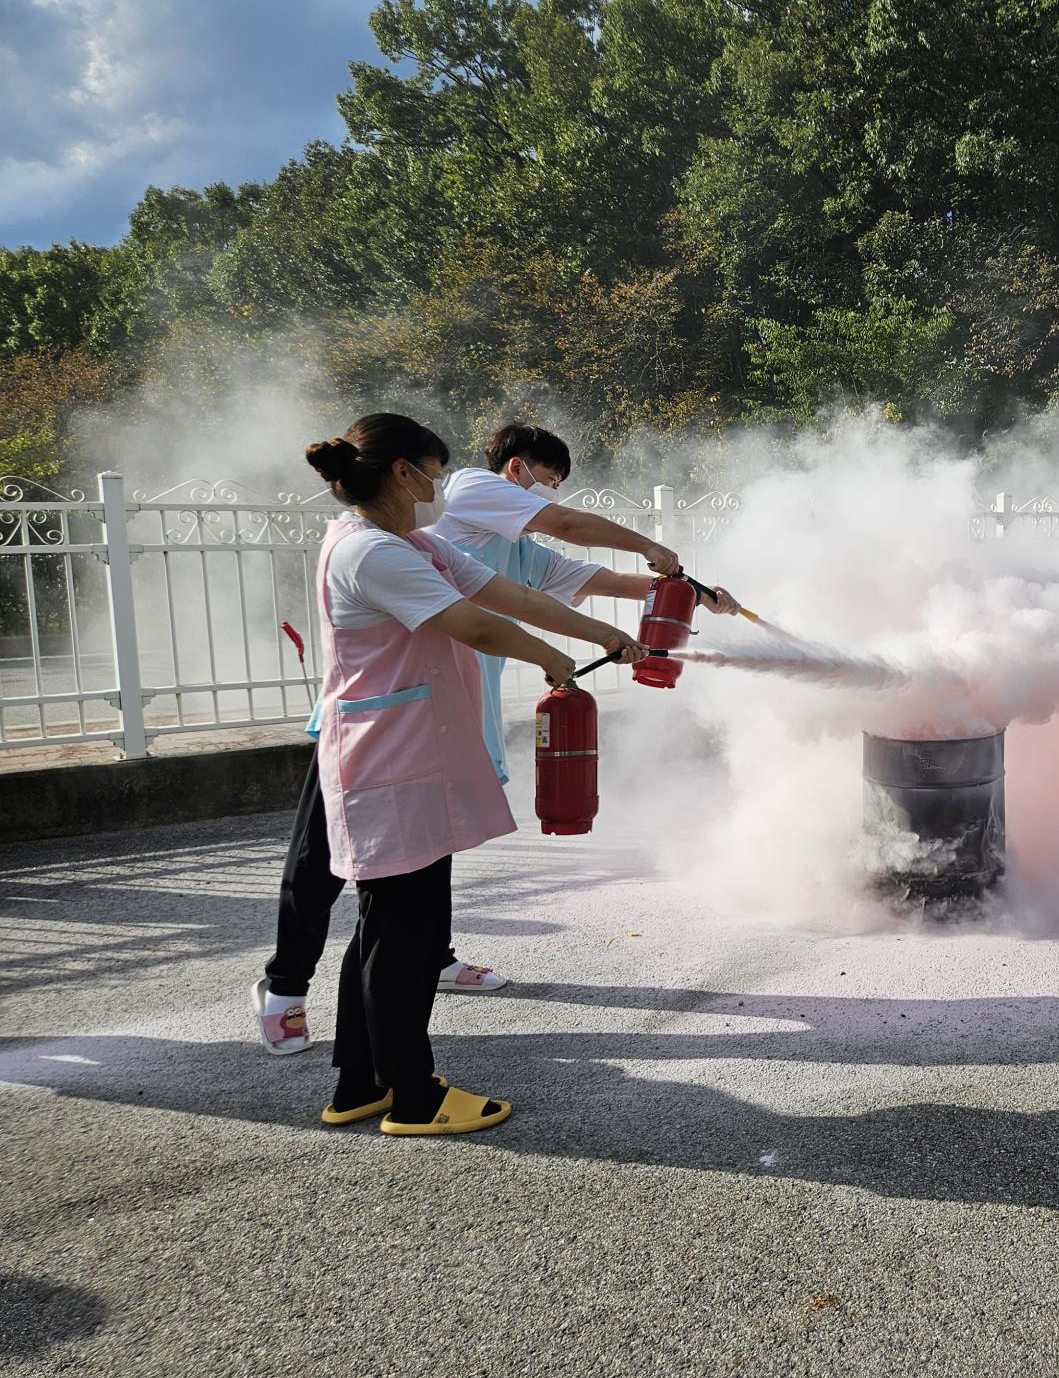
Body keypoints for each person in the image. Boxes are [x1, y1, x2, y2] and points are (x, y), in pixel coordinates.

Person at [270, 413, 644, 1134]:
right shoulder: (368, 553)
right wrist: (550, 658)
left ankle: (360, 1084)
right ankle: (414, 1096)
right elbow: (473, 625)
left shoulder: (413, 542)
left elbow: (507, 595)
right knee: (403, 933)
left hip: (413, 756)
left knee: (392, 927)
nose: (440, 487)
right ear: (404, 473)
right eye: (434, 473)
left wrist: (603, 634)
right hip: (387, 762)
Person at [429, 422, 738, 786]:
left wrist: (695, 593)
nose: (555, 493)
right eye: (551, 481)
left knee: (458, 795)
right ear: (516, 469)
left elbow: (609, 582)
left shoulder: (520, 549)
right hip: (437, 665)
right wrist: (646, 546)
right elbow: (567, 524)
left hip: (475, 672)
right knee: (435, 788)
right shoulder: (473, 485)